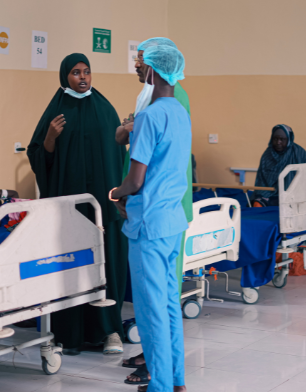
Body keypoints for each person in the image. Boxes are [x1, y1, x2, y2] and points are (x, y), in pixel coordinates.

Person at [27, 53, 128, 355]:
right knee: (70, 265)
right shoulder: (57, 110)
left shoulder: (105, 109)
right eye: (75, 73)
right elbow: (38, 156)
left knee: (106, 265)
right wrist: (50, 138)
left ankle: (109, 330)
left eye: (86, 72)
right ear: (64, 76)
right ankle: (67, 333)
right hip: (69, 207)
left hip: (103, 207)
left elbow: (117, 157)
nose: (82, 78)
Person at [110, 45, 190, 392]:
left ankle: (158, 386)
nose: (138, 70)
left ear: (155, 72)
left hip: (150, 225)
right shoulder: (180, 113)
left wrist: (116, 193)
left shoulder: (149, 117)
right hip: (173, 222)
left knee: (150, 310)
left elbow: (136, 180)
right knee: (170, 305)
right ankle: (176, 381)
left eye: (141, 65)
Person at [252, 124, 306, 207]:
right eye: (275, 139)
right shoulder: (267, 155)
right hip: (269, 193)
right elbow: (261, 180)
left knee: (296, 206)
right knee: (257, 205)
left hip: (293, 193)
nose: (278, 142)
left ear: (289, 140)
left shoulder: (299, 152)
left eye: (282, 139)